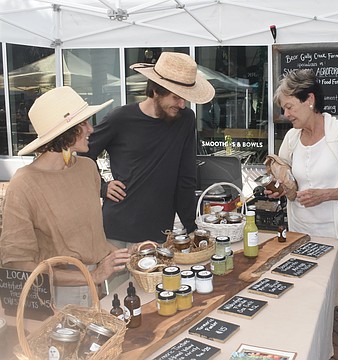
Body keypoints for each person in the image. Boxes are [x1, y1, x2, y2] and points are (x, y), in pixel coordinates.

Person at [271, 69, 338, 359]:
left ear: (309, 100)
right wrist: (280, 190)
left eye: (289, 106)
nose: (285, 114)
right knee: (305, 310)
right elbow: (290, 183)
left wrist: (327, 194)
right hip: (301, 241)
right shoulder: (292, 139)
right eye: (283, 108)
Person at [0, 86, 132, 308]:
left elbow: (90, 241)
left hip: (95, 291)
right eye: (84, 124)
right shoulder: (24, 183)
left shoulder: (88, 168)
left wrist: (132, 254)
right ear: (65, 132)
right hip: (56, 298)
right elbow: (19, 264)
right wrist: (94, 276)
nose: (91, 129)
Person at [85, 52, 215, 246]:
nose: (182, 104)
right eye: (176, 98)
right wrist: (102, 187)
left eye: (185, 98)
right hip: (117, 230)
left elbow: (186, 177)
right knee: (120, 279)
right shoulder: (119, 119)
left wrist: (191, 228)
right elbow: (82, 153)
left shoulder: (185, 119)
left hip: (159, 232)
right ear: (155, 91)